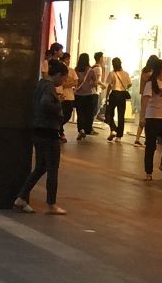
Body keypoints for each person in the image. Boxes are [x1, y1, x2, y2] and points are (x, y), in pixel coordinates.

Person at [14, 58, 68, 215]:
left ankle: (21, 198)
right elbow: (46, 104)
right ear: (58, 75)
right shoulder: (50, 87)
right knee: (52, 168)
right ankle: (51, 204)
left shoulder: (40, 84)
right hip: (49, 131)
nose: (63, 82)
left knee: (40, 167)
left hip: (38, 130)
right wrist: (58, 106)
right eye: (63, 78)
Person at [140, 55, 162, 181]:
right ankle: (148, 172)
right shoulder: (150, 83)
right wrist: (142, 117)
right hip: (153, 117)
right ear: (160, 69)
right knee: (151, 145)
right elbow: (145, 101)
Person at [72, 53, 100, 140]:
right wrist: (90, 85)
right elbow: (96, 82)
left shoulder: (76, 70)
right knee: (88, 113)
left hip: (78, 95)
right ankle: (87, 129)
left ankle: (81, 129)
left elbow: (74, 81)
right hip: (88, 95)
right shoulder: (90, 70)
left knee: (80, 113)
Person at [104, 56, 132, 140]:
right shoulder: (126, 73)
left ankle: (113, 129)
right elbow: (130, 84)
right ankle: (119, 136)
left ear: (113, 64)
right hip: (122, 95)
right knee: (121, 116)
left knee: (109, 113)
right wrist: (124, 87)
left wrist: (106, 96)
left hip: (114, 94)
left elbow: (109, 86)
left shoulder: (112, 73)